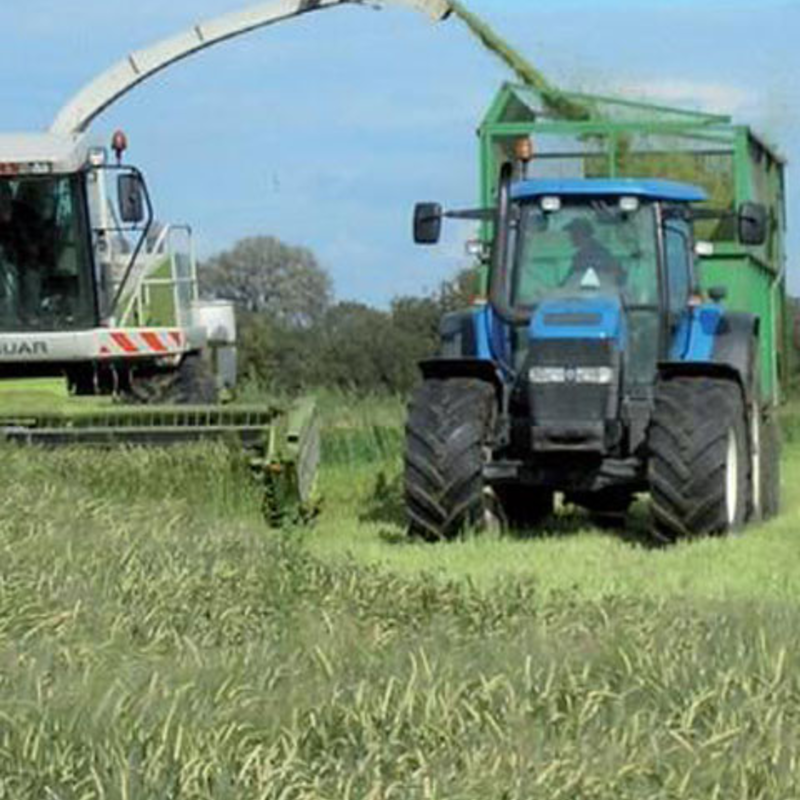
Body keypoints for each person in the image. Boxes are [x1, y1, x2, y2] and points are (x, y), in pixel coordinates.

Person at [562, 217, 625, 289]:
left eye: (572, 233)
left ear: (580, 233)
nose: (570, 237)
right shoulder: (579, 256)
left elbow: (619, 276)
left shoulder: (601, 253)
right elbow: (569, 282)